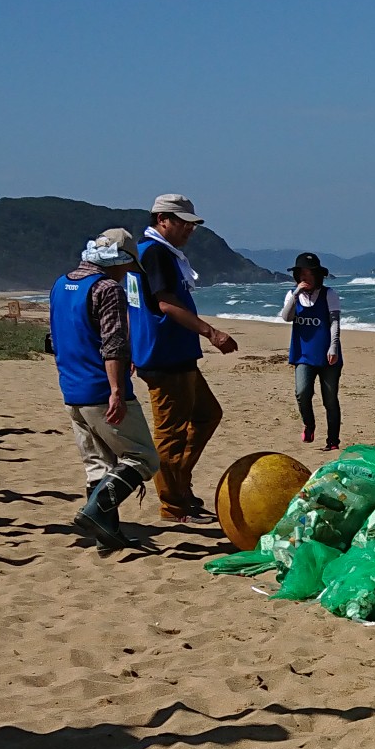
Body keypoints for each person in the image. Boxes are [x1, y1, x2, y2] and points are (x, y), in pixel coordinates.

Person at [128, 192, 238, 525]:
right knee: (170, 434)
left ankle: (181, 482)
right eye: (182, 223)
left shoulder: (156, 253)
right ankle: (174, 502)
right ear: (162, 220)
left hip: (171, 354)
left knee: (208, 414)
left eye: (192, 225)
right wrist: (211, 332)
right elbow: (164, 304)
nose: (189, 230)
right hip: (165, 356)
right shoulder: (156, 253)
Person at [49, 227, 162, 551]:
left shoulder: (61, 285)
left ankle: (106, 533)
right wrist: (116, 389)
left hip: (72, 387)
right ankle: (95, 511)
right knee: (143, 457)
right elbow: (112, 344)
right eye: (127, 267)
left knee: (97, 463)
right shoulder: (107, 289)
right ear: (119, 260)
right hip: (100, 387)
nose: (127, 273)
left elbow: (57, 336)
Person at [279, 254, 343, 450]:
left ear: (317, 275)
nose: (305, 276)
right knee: (302, 392)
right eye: (302, 273)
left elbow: (334, 322)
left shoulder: (328, 294)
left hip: (327, 355)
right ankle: (309, 424)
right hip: (303, 354)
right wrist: (296, 293)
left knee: (330, 398)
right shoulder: (292, 294)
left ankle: (333, 441)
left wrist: (333, 346)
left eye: (309, 273)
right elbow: (286, 317)